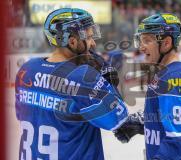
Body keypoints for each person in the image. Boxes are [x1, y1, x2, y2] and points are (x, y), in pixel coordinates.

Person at [15, 8, 128, 160]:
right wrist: (108, 84)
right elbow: (117, 119)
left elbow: (21, 115)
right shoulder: (82, 76)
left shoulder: (27, 70)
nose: (93, 43)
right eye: (88, 37)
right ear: (72, 41)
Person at [114, 13, 181, 160]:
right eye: (140, 40)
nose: (141, 47)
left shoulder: (176, 76)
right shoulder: (166, 73)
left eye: (147, 40)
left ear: (166, 43)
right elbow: (172, 116)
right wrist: (144, 122)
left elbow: (180, 138)